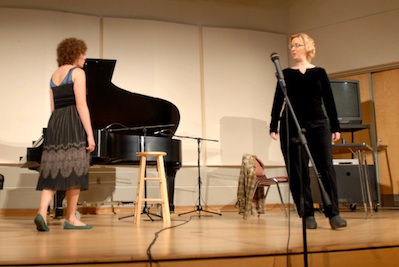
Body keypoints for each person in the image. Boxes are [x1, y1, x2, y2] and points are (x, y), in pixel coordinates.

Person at [269, 33, 347, 230]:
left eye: (297, 45)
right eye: (291, 46)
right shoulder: (285, 73)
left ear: (307, 47)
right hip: (291, 124)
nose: (293, 49)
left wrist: (335, 126)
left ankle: (333, 213)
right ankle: (307, 214)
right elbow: (278, 100)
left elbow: (328, 100)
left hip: (318, 124)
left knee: (326, 168)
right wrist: (273, 125)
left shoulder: (319, 72)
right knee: (298, 171)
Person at [34, 38, 95, 231]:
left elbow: (53, 108)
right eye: (82, 53)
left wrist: (57, 126)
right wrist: (90, 135)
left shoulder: (54, 75)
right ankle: (71, 218)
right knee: (75, 169)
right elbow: (81, 105)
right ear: (75, 53)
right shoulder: (78, 73)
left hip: (56, 123)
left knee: (52, 168)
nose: (85, 57)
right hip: (72, 122)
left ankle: (41, 212)